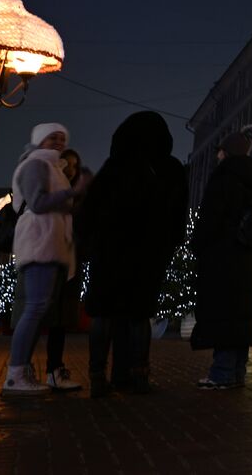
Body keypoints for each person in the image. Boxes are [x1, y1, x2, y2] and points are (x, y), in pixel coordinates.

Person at [77, 112, 188, 397]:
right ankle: (137, 376)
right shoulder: (171, 169)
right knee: (138, 314)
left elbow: (89, 211)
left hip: (110, 253)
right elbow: (178, 218)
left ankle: (98, 376)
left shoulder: (115, 167)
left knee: (103, 313)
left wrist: (89, 245)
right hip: (147, 255)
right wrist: (167, 246)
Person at [3, 123, 86, 398]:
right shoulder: (37, 164)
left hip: (49, 244)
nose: (59, 141)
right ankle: (15, 374)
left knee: (39, 309)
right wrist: (73, 192)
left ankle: (21, 371)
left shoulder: (51, 167)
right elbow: (38, 203)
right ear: (39, 140)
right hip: (41, 243)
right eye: (53, 137)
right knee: (36, 308)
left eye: (62, 137)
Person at [191, 124, 252, 390]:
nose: (217, 156)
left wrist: (198, 245)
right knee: (241, 315)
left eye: (221, 151)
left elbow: (210, 220)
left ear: (228, 152)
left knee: (223, 314)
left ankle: (221, 372)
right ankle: (237, 372)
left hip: (222, 257)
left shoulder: (223, 178)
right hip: (247, 260)